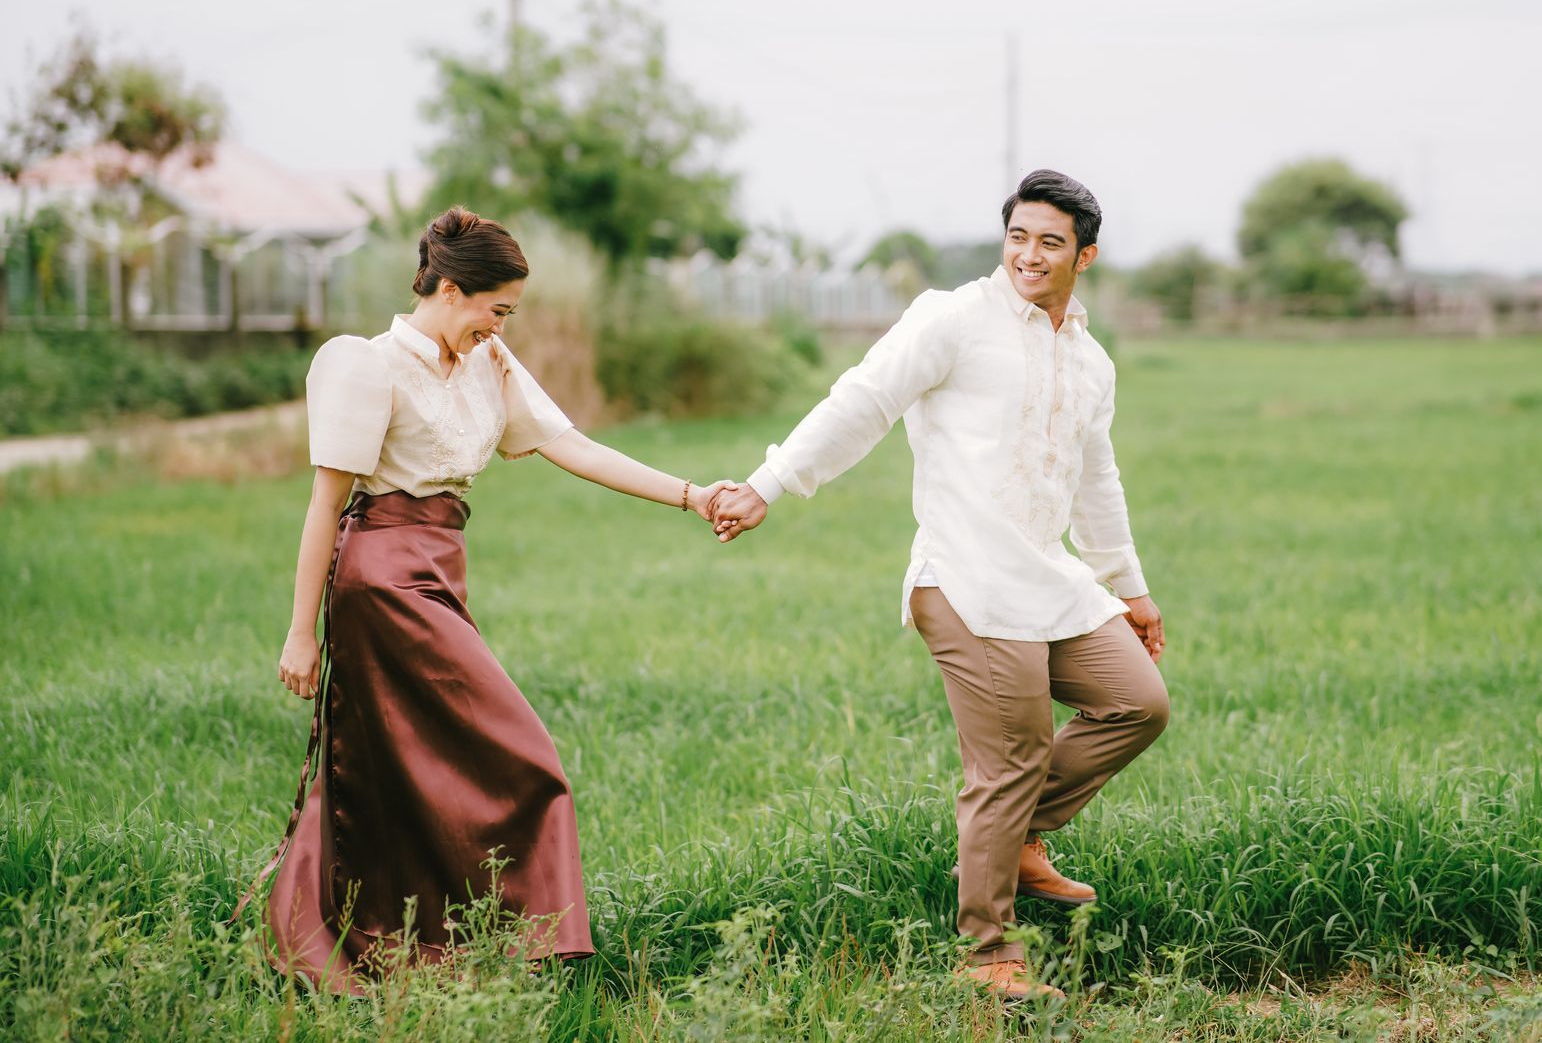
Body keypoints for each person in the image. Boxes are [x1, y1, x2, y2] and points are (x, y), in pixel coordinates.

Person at [711, 170, 1170, 1001]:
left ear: (1086, 256)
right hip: (966, 575)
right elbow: (863, 401)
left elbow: (1095, 476)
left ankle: (1015, 837)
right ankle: (988, 954)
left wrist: (1128, 587)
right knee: (1012, 756)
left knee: (1138, 702)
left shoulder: (1090, 360)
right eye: (1019, 236)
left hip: (1050, 578)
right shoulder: (953, 318)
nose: (1030, 254)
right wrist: (767, 484)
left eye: (1052, 242)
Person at [256, 206, 732, 992]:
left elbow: (570, 444)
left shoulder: (489, 363)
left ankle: (421, 944)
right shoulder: (369, 366)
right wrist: (300, 632)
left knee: (411, 769)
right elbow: (325, 505)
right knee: (523, 756)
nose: (500, 326)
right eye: (496, 309)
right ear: (449, 288)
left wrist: (691, 494)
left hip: (442, 569)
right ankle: (527, 941)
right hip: (380, 581)